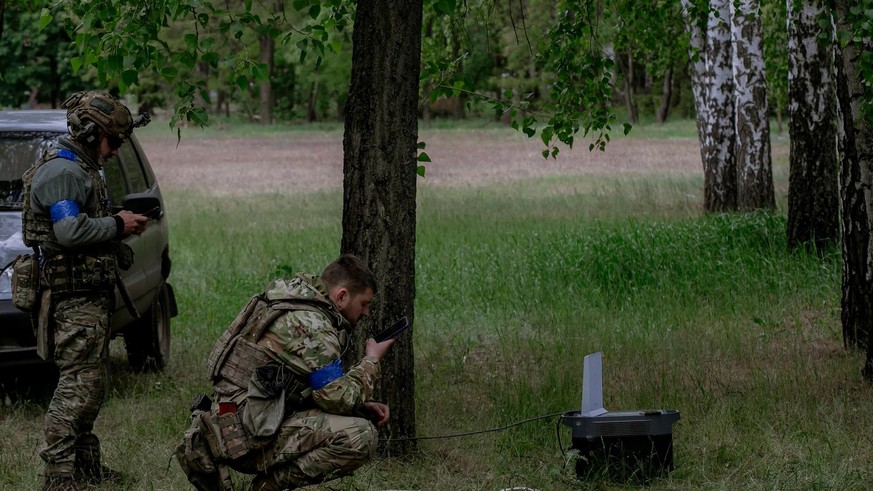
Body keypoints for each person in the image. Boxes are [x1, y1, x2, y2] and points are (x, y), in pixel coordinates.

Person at [176, 254, 395, 491]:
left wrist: (361, 406)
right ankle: (268, 486)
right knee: (360, 436)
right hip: (248, 439)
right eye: (364, 304)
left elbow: (309, 385)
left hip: (234, 424)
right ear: (342, 296)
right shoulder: (312, 326)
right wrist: (371, 360)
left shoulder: (293, 298)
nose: (366, 313)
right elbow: (338, 399)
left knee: (354, 420)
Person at [21, 91, 150, 491]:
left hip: (87, 296)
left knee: (91, 384)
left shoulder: (81, 167)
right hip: (72, 300)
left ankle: (86, 467)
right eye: (113, 142)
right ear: (93, 134)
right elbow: (69, 231)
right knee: (77, 385)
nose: (114, 152)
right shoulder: (64, 173)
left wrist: (115, 221)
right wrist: (118, 225)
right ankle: (58, 477)